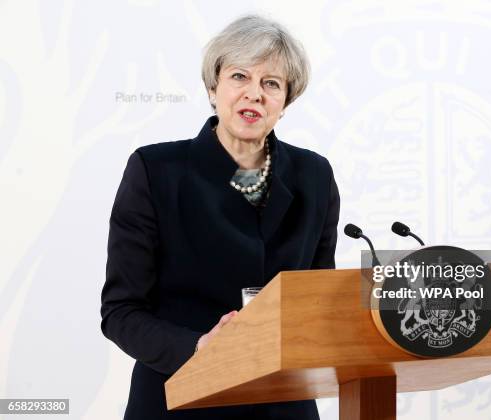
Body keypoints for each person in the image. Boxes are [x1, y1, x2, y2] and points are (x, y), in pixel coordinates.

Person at [100, 14, 340, 420]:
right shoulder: (156, 170)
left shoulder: (314, 176)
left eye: (271, 84)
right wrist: (198, 347)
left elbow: (317, 301)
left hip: (284, 404)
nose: (254, 94)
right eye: (239, 77)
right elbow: (121, 312)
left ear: (285, 102)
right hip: (180, 399)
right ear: (213, 89)